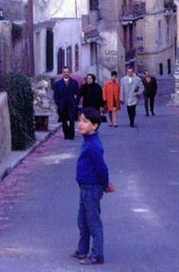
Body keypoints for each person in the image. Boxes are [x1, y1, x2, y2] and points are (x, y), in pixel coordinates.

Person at [71, 107, 115, 266]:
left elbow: (101, 168)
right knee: (82, 220)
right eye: (79, 120)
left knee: (92, 221)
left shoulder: (94, 145)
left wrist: (105, 184)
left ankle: (97, 254)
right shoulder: (88, 141)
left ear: (95, 125)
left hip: (92, 187)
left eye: (85, 121)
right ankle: (82, 249)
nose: (80, 124)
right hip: (84, 186)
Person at [53, 66, 80, 140]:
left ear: (69, 73)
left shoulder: (74, 82)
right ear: (62, 73)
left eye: (67, 72)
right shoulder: (58, 84)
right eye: (64, 72)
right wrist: (58, 103)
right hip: (62, 105)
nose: (66, 73)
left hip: (71, 104)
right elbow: (56, 95)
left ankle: (71, 135)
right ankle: (66, 134)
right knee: (64, 120)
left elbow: (78, 94)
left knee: (71, 120)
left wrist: (76, 103)